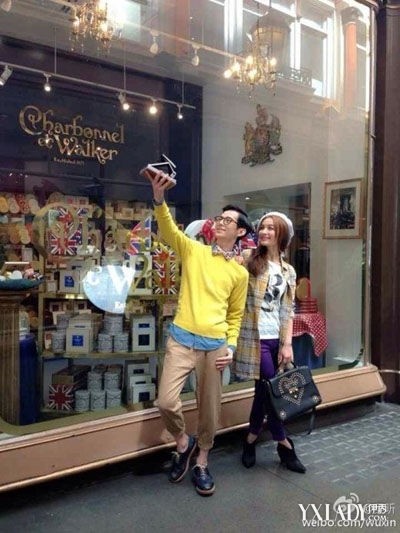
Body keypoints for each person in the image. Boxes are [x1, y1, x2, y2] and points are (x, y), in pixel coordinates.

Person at [145, 168, 253, 496]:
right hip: (181, 338)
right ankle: (183, 441)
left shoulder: (239, 273)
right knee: (166, 400)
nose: (220, 222)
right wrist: (159, 198)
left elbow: (235, 315)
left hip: (215, 347)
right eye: (219, 218)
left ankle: (202, 460)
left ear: (240, 231)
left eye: (228, 220)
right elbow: (168, 231)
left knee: (210, 409)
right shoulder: (195, 251)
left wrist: (230, 347)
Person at [234, 211, 306, 473]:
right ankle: (284, 443)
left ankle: (251, 438)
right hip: (255, 339)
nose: (264, 232)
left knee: (263, 392)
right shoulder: (248, 259)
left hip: (277, 338)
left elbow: (287, 310)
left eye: (271, 228)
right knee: (270, 389)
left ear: (282, 234)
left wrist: (287, 344)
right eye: (262, 227)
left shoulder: (289, 271)